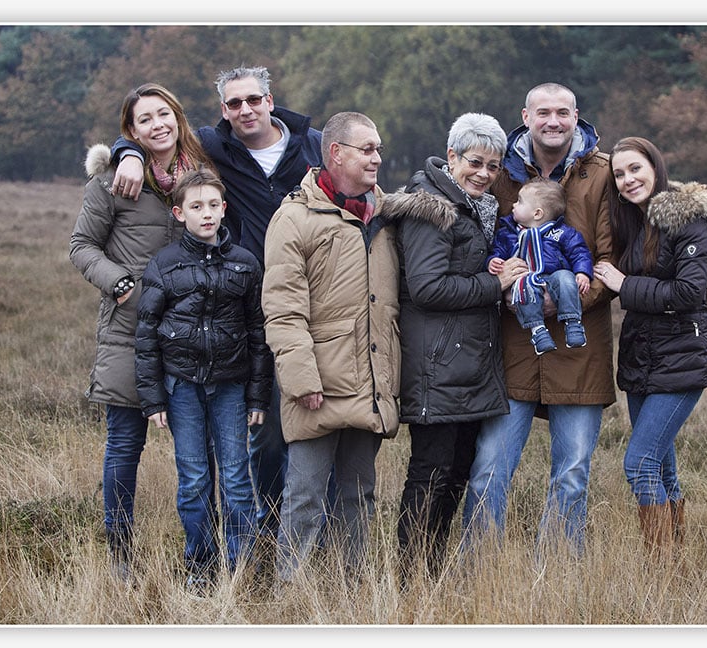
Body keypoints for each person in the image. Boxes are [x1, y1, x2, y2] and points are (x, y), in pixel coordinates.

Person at [110, 66, 323, 562]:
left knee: (315, 425)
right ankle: (257, 543)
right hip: (245, 311)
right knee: (261, 439)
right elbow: (153, 132)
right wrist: (126, 155)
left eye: (253, 100)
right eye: (233, 104)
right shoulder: (215, 146)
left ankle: (309, 539)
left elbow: (356, 174)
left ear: (271, 100)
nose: (244, 110)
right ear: (222, 111)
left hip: (310, 304)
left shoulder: (312, 145)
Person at [462, 82, 616, 556]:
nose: (553, 120)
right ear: (525, 116)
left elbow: (609, 258)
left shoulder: (602, 174)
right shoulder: (499, 169)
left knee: (571, 471)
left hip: (579, 345)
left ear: (577, 117)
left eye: (563, 112)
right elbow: (484, 244)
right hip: (512, 345)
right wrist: (505, 285)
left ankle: (557, 571)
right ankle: (479, 569)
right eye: (543, 112)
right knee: (489, 466)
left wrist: (563, 302)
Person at [70, 83, 215, 582]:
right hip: (130, 333)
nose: (157, 125)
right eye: (143, 120)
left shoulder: (202, 174)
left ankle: (203, 557)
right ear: (129, 131)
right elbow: (81, 247)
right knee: (124, 446)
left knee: (201, 454)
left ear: (177, 116)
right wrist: (124, 286)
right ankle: (121, 555)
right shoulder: (115, 179)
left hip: (195, 335)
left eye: (164, 114)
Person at [379, 113, 519, 585]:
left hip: (466, 362)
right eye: (475, 162)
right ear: (453, 156)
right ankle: (408, 577)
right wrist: (493, 284)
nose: (483, 173)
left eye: (494, 166)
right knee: (431, 473)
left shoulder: (473, 208)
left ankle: (431, 573)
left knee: (456, 473)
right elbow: (427, 288)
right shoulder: (430, 208)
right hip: (436, 363)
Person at [260, 112, 400, 584]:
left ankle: (353, 591)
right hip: (317, 385)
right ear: (336, 153)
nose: (378, 158)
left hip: (371, 381)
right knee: (304, 495)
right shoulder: (294, 217)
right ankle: (290, 594)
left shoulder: (386, 216)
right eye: (368, 149)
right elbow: (283, 309)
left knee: (359, 493)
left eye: (379, 148)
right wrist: (301, 381)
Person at [594, 136, 707, 556]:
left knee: (639, 464)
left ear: (655, 166)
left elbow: (689, 293)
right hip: (643, 361)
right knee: (661, 466)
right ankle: (677, 565)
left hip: (681, 362)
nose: (627, 180)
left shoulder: (688, 220)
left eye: (635, 169)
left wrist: (625, 285)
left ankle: (660, 570)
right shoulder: (634, 223)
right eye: (619, 174)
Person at [133, 168, 273, 594]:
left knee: (235, 478)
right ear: (180, 213)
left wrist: (257, 396)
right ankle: (200, 565)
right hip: (182, 389)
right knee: (194, 480)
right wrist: (153, 398)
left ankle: (241, 568)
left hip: (231, 387)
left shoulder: (245, 263)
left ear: (224, 209)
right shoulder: (165, 264)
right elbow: (146, 333)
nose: (206, 214)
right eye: (196, 207)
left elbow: (257, 334)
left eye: (214, 205)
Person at [488, 179, 593, 355]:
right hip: (526, 278)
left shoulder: (561, 233)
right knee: (523, 289)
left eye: (520, 201)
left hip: (553, 278)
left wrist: (583, 272)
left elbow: (579, 252)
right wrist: (493, 261)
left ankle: (573, 322)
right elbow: (497, 251)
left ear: (537, 213)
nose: (513, 204)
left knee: (566, 278)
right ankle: (537, 330)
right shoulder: (509, 234)